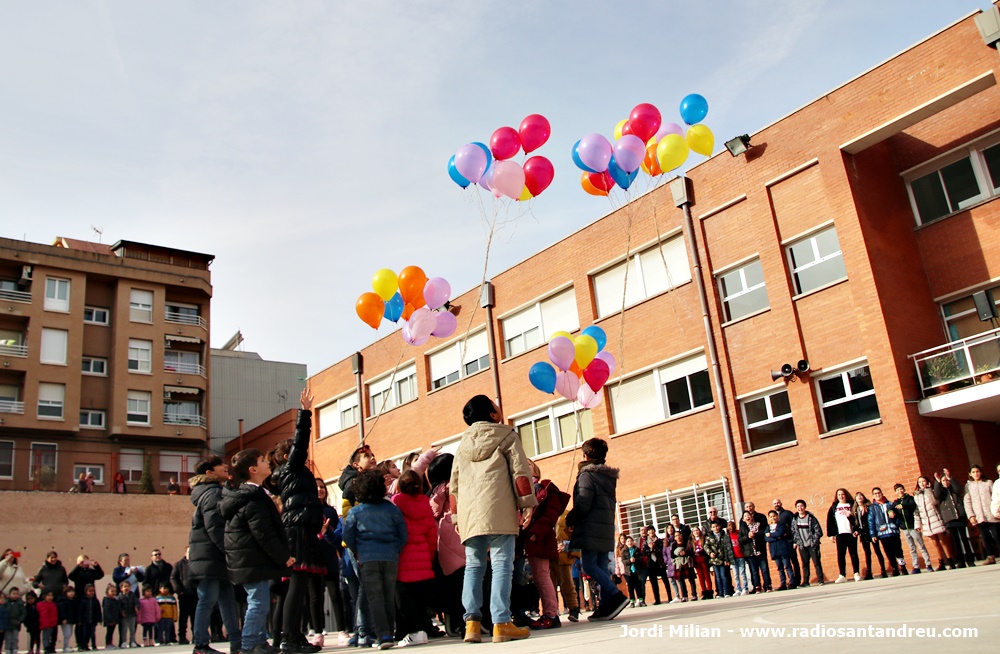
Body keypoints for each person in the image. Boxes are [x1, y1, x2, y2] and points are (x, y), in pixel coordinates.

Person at [449, 395, 538, 642]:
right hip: (499, 508)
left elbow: (453, 485)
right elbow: (520, 472)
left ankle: (472, 625)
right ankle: (501, 622)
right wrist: (527, 503)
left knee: (474, 567)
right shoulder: (507, 436)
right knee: (501, 565)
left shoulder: (461, 445)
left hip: (469, 514)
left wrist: (456, 516)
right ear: (492, 414)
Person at [220, 448, 294, 654]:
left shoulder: (250, 495)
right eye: (262, 460)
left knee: (259, 600)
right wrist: (283, 557)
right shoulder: (252, 498)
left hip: (249, 559)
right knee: (258, 602)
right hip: (250, 559)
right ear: (253, 469)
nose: (267, 462)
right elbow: (263, 533)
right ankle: (249, 645)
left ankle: (259, 641)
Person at [267, 390, 325, 654]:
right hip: (298, 528)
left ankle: (294, 636)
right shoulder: (290, 469)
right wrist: (305, 412)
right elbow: (301, 442)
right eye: (293, 451)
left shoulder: (290, 474)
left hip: (302, 527)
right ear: (286, 456)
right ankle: (290, 639)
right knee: (297, 585)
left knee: (297, 588)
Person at [565, 437, 629, 622]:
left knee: (589, 565)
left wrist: (571, 517)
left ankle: (615, 595)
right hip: (605, 526)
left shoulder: (587, 475)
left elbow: (584, 503)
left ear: (585, 455)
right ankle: (607, 606)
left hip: (591, 526)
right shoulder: (607, 477)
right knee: (601, 565)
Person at [343, 469, 407, 651]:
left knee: (374, 598)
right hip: (391, 557)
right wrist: (395, 549)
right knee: (388, 596)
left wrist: (358, 551)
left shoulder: (356, 512)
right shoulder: (392, 509)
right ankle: (390, 631)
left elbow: (347, 537)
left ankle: (383, 635)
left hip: (367, 557)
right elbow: (403, 534)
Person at [188, 454, 242, 654]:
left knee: (227, 599)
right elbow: (215, 526)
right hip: (210, 556)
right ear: (209, 472)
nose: (225, 466)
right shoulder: (212, 493)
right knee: (208, 598)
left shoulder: (212, 491)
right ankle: (201, 645)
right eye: (220, 465)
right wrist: (229, 551)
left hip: (213, 556)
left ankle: (236, 643)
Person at [518, 461, 570, 630]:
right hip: (531, 541)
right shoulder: (522, 490)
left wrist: (536, 532)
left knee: (542, 577)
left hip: (540, 540)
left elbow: (550, 515)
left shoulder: (546, 490)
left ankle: (551, 614)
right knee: (540, 578)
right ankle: (548, 612)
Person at [390, 470, 437, 646]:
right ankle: (423, 629)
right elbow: (432, 534)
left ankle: (412, 632)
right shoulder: (426, 503)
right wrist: (429, 557)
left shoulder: (396, 503)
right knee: (419, 600)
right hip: (423, 556)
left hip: (403, 557)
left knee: (404, 599)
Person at [426, 453, 465, 637]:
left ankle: (455, 620)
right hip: (465, 533)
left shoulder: (440, 490)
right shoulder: (463, 483)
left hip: (447, 540)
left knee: (453, 585)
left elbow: (432, 511)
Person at [315, 479, 347, 643]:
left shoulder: (330, 511)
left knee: (335, 594)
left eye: (322, 487)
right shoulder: (309, 510)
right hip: (314, 557)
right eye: (316, 487)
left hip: (330, 557)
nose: (320, 490)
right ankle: (318, 632)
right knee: (316, 597)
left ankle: (342, 630)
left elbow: (337, 535)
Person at [914, 475, 955, 570]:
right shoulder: (917, 496)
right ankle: (941, 562)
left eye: (923, 481)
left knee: (942, 541)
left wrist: (928, 491)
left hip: (936, 519)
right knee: (935, 543)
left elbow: (935, 502)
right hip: (926, 522)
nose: (922, 484)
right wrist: (918, 524)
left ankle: (950, 561)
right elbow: (916, 511)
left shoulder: (932, 491)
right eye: (920, 482)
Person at [935, 470, 974, 567]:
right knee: (955, 540)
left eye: (946, 480)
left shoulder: (954, 489)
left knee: (964, 539)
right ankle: (960, 561)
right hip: (950, 518)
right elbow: (937, 495)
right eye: (943, 481)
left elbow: (959, 489)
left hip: (959, 517)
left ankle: (970, 559)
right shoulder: (942, 492)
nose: (946, 482)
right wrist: (937, 482)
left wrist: (950, 478)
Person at [892, 483, 933, 574]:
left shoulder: (910, 498)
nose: (900, 491)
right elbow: (892, 508)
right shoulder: (896, 502)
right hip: (905, 528)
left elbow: (912, 505)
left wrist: (903, 506)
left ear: (904, 489)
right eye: (897, 490)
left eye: (901, 489)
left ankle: (928, 564)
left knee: (921, 545)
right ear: (895, 492)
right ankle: (916, 566)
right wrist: (891, 511)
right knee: (912, 548)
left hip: (913, 526)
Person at [964, 465, 999, 565]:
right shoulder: (969, 486)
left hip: (992, 514)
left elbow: (995, 497)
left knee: (997, 535)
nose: (976, 474)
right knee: (985, 537)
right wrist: (971, 515)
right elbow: (967, 501)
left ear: (981, 472)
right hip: (979, 515)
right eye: (973, 472)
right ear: (970, 474)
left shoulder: (988, 483)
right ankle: (990, 556)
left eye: (977, 471)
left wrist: (997, 510)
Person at [868, 487, 906, 576]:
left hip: (893, 531)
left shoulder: (890, 504)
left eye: (879, 493)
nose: (877, 495)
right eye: (875, 494)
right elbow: (871, 521)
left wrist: (896, 523)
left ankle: (903, 567)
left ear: (882, 493)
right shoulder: (872, 508)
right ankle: (894, 568)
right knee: (889, 552)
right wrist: (873, 534)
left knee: (898, 550)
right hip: (882, 533)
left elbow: (898, 516)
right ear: (873, 495)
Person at [826, 488, 862, 583]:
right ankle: (842, 575)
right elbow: (830, 521)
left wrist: (856, 529)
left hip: (851, 533)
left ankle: (856, 573)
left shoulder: (851, 505)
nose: (841, 496)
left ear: (846, 495)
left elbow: (857, 519)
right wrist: (831, 535)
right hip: (840, 534)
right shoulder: (834, 507)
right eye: (839, 495)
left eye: (842, 494)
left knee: (853, 554)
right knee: (841, 554)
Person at [854, 491, 887, 579]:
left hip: (871, 532)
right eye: (857, 496)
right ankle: (869, 573)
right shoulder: (855, 510)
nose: (859, 497)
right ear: (855, 499)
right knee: (867, 553)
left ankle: (883, 570)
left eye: (861, 496)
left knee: (877, 551)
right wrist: (857, 531)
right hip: (863, 534)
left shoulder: (869, 507)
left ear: (864, 497)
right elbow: (856, 523)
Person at [738, 504, 771, 593]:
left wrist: (755, 535)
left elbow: (763, 533)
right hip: (750, 552)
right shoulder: (742, 528)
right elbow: (740, 540)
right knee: (754, 571)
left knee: (764, 569)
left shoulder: (758, 524)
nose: (747, 517)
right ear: (743, 519)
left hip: (760, 550)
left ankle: (768, 586)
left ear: (752, 517)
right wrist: (748, 537)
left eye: (748, 515)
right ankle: (757, 587)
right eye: (745, 516)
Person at [791, 500, 824, 586]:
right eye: (798, 506)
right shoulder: (795, 519)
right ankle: (805, 581)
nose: (800, 508)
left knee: (816, 562)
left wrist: (814, 541)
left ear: (805, 507)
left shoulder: (811, 518)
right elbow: (793, 532)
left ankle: (820, 580)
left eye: (801, 506)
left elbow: (818, 531)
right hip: (802, 545)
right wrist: (797, 542)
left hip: (812, 545)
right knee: (805, 564)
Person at [168, 548, 195, 645]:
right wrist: (179, 591)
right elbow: (173, 578)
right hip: (184, 595)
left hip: (195, 595)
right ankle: (182, 637)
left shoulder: (196, 563)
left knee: (195, 616)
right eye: (189, 551)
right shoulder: (179, 564)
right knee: (183, 617)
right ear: (185, 553)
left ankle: (196, 636)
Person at [772, 499, 800, 587]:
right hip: (780, 544)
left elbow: (794, 527)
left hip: (789, 541)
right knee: (784, 564)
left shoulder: (787, 513)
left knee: (794, 561)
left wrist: (795, 540)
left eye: (778, 503)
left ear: (781, 503)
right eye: (775, 503)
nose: (776, 504)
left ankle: (797, 580)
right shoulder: (773, 516)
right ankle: (788, 581)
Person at [704, 521, 735, 598]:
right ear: (711, 528)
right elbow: (706, 546)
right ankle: (720, 593)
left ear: (719, 527)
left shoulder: (724, 536)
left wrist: (727, 559)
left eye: (717, 526)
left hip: (723, 559)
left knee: (724, 575)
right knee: (718, 577)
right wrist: (710, 553)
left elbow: (727, 548)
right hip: (715, 560)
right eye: (713, 527)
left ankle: (727, 592)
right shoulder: (709, 537)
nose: (715, 528)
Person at [765, 511, 794, 590]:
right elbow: (766, 538)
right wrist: (775, 537)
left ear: (777, 516)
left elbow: (780, 533)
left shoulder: (782, 524)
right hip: (774, 550)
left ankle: (792, 582)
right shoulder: (768, 527)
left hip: (783, 548)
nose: (773, 518)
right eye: (771, 517)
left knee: (787, 565)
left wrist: (771, 534)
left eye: (774, 516)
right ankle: (783, 583)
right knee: (780, 568)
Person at [640, 526, 667, 605]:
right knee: (653, 582)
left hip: (659, 562)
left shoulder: (659, 541)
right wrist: (651, 549)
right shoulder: (646, 542)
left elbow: (661, 551)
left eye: (652, 530)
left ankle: (670, 597)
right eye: (649, 531)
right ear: (647, 533)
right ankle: (657, 599)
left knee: (665, 579)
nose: (651, 532)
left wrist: (654, 549)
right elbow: (644, 552)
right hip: (650, 563)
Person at [669, 532, 695, 601]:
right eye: (676, 536)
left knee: (691, 579)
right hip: (678, 564)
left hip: (687, 562)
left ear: (682, 536)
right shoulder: (674, 545)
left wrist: (685, 552)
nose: (678, 537)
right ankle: (684, 596)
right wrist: (679, 553)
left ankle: (694, 595)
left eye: (679, 535)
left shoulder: (687, 542)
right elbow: (672, 555)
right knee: (681, 580)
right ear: (674, 538)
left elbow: (691, 551)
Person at [690, 527, 714, 600]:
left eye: (697, 530)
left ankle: (710, 592)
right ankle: (704, 592)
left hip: (704, 559)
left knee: (707, 576)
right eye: (694, 531)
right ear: (692, 533)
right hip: (697, 561)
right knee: (701, 577)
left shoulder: (703, 538)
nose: (696, 532)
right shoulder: (691, 541)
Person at [727, 521, 748, 596]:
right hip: (733, 558)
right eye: (729, 525)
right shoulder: (727, 536)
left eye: (732, 525)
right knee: (735, 575)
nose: (731, 527)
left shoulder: (738, 533)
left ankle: (745, 588)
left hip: (740, 556)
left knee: (742, 573)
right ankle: (738, 589)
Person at [76, 585, 100, 652]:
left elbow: (98, 610)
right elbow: (80, 611)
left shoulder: (95, 600)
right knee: (85, 634)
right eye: (90, 591)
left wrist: (99, 619)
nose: (91, 592)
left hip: (93, 620)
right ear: (86, 592)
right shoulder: (83, 601)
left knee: (92, 634)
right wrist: (80, 620)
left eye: (93, 591)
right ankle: (84, 645)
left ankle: (94, 646)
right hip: (85, 621)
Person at [622, 537, 644, 607]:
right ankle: (632, 601)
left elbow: (641, 559)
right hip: (628, 572)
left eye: (631, 541)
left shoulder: (637, 549)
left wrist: (635, 560)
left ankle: (641, 600)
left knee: (638, 586)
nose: (630, 543)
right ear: (626, 543)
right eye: (628, 541)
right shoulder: (624, 551)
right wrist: (629, 561)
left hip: (636, 571)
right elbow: (623, 561)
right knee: (630, 587)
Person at [117, 581, 139, 648]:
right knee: (124, 629)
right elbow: (119, 605)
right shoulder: (120, 596)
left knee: (132, 629)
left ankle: (132, 641)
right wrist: (121, 612)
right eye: (125, 586)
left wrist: (137, 607)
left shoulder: (133, 595)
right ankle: (123, 642)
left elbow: (137, 602)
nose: (126, 588)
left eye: (128, 586)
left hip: (132, 614)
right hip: (124, 616)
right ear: (121, 588)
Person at [55, 585, 76, 653]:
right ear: (65, 593)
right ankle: (65, 647)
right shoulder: (63, 601)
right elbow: (62, 610)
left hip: (71, 620)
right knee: (67, 633)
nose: (71, 593)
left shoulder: (72, 601)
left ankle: (67, 646)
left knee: (69, 633)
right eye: (69, 591)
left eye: (72, 591)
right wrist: (63, 618)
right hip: (65, 620)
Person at [5, 587, 25, 654]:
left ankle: (15, 649)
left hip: (16, 624)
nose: (15, 595)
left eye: (17, 594)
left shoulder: (20, 604)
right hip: (7, 624)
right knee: (8, 638)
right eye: (14, 594)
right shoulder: (6, 603)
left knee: (15, 638)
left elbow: (23, 613)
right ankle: (7, 649)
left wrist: (20, 620)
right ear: (10, 594)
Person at [100, 584, 120, 650]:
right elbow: (107, 611)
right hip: (109, 620)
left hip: (114, 619)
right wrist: (110, 620)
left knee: (111, 632)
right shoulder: (107, 600)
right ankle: (108, 644)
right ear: (107, 592)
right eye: (112, 591)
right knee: (109, 632)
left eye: (115, 591)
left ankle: (111, 643)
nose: (114, 593)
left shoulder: (115, 600)